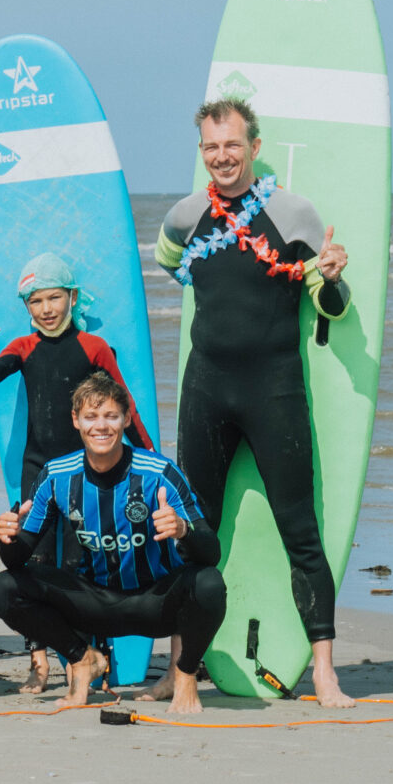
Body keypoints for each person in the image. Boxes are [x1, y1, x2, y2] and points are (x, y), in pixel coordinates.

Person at [155, 97, 355, 707]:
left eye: (233, 145)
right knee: (192, 530)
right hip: (205, 389)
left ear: (254, 147)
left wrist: (332, 273)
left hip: (274, 388)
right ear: (201, 152)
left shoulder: (292, 213)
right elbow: (172, 264)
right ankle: (178, 669)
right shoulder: (185, 217)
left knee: (300, 529)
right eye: (212, 147)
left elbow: (331, 306)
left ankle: (324, 671)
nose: (223, 157)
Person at [0, 252, 152, 691]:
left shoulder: (94, 348)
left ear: (72, 297)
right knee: (35, 560)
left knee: (86, 562)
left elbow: (125, 406)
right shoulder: (24, 348)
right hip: (40, 469)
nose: (46, 309)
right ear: (27, 307)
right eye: (36, 301)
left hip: (88, 473)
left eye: (54, 297)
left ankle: (95, 658)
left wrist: (149, 460)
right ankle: (39, 661)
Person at [0, 374, 224, 715]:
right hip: (93, 603)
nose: (101, 426)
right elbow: (17, 560)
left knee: (209, 583)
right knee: (4, 588)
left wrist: (183, 530)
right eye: (91, 417)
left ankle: (184, 674)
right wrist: (7, 537)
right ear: (76, 421)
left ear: (126, 419)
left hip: (156, 602)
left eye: (111, 416)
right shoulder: (57, 476)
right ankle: (82, 658)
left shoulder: (159, 472)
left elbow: (211, 553)